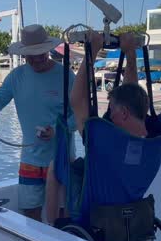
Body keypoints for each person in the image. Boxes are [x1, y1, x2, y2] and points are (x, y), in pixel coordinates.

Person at [0, 24, 75, 222]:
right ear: (24, 55)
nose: (36, 60)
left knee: (62, 216)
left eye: (40, 54)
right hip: (30, 161)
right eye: (31, 56)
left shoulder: (67, 75)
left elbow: (79, 115)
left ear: (47, 51)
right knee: (30, 213)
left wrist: (59, 131)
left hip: (61, 158)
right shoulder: (17, 76)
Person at [45, 32, 148, 224]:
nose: (109, 113)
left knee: (56, 168)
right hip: (129, 200)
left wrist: (91, 50)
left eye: (112, 109)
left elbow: (77, 100)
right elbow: (131, 92)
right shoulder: (153, 139)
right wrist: (130, 54)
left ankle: (52, 227)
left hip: (99, 206)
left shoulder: (105, 139)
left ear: (124, 113)